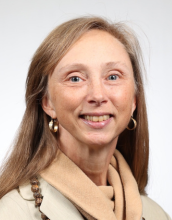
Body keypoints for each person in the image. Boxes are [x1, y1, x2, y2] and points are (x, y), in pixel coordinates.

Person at [0, 16, 171, 220]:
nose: (98, 96)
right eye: (75, 78)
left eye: (113, 76)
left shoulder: (156, 215)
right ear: (47, 103)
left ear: (134, 101)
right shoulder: (13, 212)